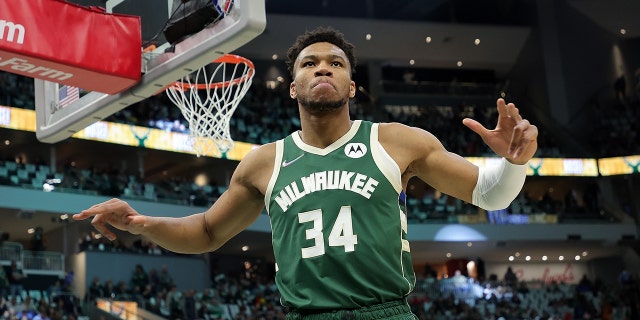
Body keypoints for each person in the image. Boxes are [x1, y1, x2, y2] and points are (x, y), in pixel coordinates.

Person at [73, 27, 538, 319]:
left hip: (384, 312)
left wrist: (513, 165)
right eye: (310, 63)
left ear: (351, 84)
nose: (323, 69)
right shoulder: (263, 161)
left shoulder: (396, 141)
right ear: (292, 85)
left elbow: (490, 195)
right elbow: (208, 231)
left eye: (336, 64)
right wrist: (139, 223)